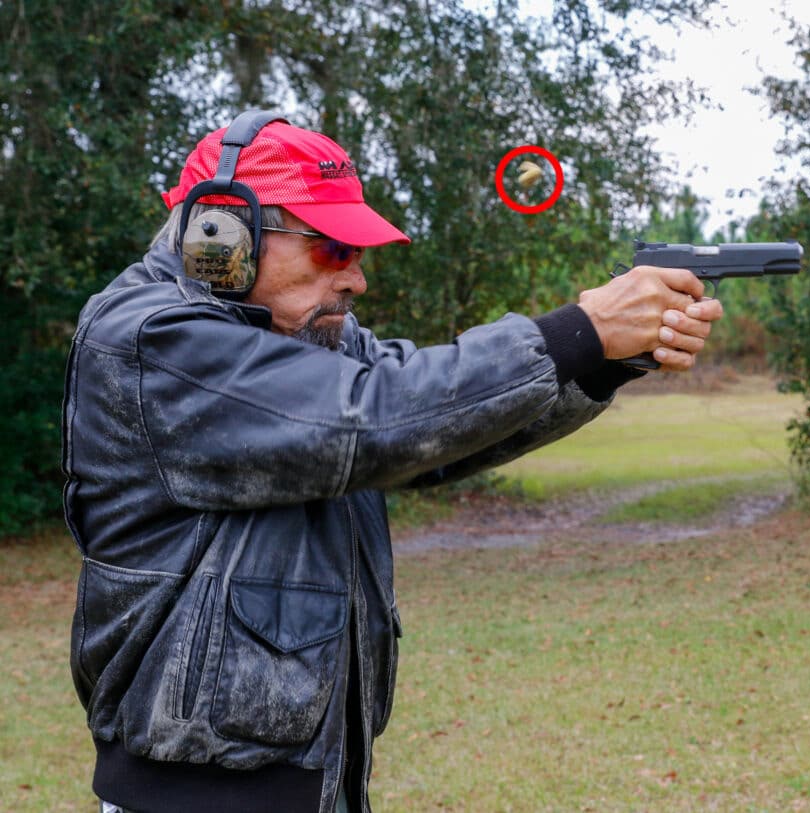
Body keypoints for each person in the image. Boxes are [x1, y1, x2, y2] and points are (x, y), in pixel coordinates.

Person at [61, 110, 723, 813]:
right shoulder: (150, 339)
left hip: (317, 780)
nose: (357, 279)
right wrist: (578, 330)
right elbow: (372, 417)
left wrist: (603, 360)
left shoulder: (307, 337)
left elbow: (436, 435)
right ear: (219, 232)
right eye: (332, 249)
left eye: (358, 253)